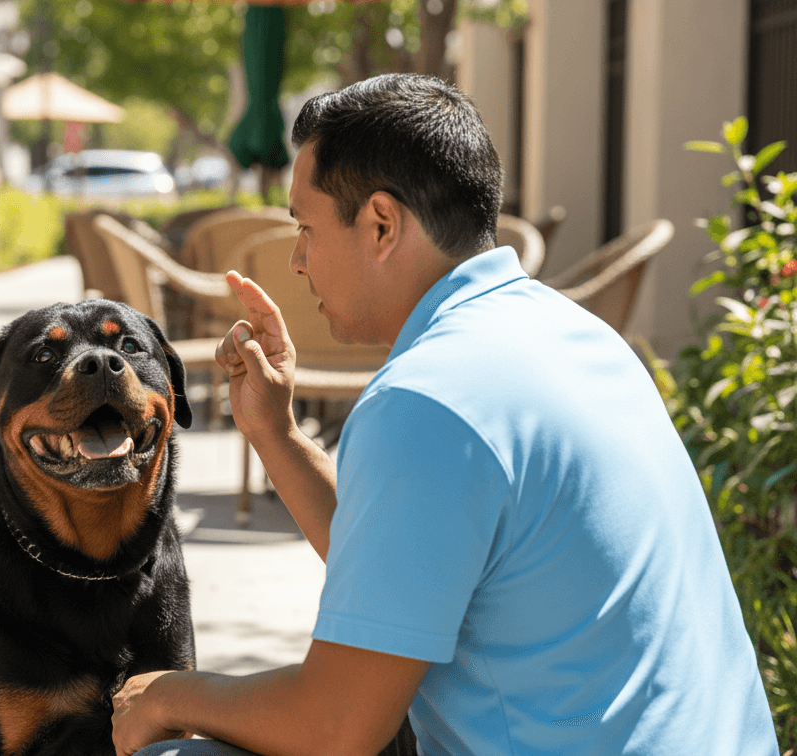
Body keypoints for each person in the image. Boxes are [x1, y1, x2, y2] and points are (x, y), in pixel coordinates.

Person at [110, 74, 778, 756]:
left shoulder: (426, 398)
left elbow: (335, 728)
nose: (298, 260)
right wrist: (275, 434)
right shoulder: (578, 337)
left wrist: (166, 694)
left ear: (380, 223)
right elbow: (409, 573)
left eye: (306, 227)